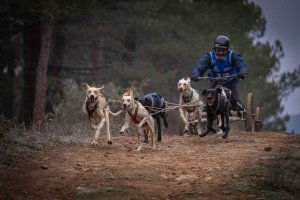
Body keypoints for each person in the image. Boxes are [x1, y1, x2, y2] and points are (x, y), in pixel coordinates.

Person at [191, 35, 248, 112]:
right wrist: (196, 74)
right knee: (209, 99)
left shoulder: (232, 55)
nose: (220, 53)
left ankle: (243, 111)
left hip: (230, 82)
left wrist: (243, 72)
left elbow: (241, 65)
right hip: (215, 82)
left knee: (235, 100)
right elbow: (199, 67)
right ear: (214, 49)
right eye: (218, 50)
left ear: (227, 50)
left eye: (223, 51)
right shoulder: (209, 56)